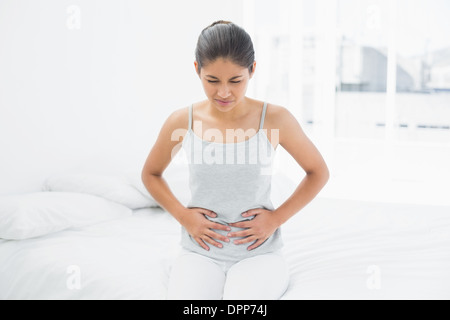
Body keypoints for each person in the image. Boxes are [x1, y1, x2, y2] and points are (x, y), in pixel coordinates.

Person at [141, 20, 329, 300]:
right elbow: (151, 174)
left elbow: (318, 172)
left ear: (252, 70)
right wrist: (184, 217)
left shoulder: (275, 119)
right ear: (197, 70)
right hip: (199, 252)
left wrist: (276, 218)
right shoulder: (183, 120)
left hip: (258, 254)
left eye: (236, 80)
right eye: (212, 81)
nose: (224, 92)